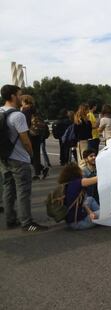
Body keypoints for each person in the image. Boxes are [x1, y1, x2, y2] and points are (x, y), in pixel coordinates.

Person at [0, 85, 48, 232]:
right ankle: (27, 222)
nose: (21, 97)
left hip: (4, 157)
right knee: (23, 191)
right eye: (19, 94)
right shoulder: (18, 116)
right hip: (19, 158)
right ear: (13, 96)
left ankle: (10, 219)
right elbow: (25, 140)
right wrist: (31, 154)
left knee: (8, 188)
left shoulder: (1, 111)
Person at [58, 163, 99, 230]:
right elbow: (97, 179)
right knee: (107, 212)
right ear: (76, 171)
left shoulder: (66, 184)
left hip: (70, 221)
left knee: (90, 199)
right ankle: (101, 217)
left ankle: (99, 216)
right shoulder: (79, 182)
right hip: (80, 222)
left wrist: (90, 212)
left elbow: (81, 203)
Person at [21, 95, 49, 180]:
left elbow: (25, 123)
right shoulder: (36, 110)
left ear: (24, 101)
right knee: (36, 153)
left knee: (27, 154)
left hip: (30, 134)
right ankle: (39, 171)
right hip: (38, 134)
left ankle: (39, 171)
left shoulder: (26, 111)